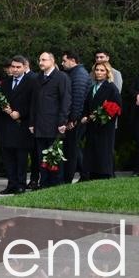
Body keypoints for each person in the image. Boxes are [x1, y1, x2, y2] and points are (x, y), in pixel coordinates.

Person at [29, 51, 71, 188]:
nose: (41, 62)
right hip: (40, 125)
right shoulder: (38, 78)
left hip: (55, 125)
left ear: (52, 61)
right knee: (42, 157)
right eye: (40, 60)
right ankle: (44, 183)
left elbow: (65, 100)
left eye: (44, 60)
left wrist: (62, 121)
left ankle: (56, 184)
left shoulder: (61, 77)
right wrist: (32, 122)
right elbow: (33, 102)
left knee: (55, 157)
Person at [0, 56, 34, 194]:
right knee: (8, 158)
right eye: (13, 67)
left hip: (22, 125)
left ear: (25, 67)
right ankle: (11, 184)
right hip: (6, 125)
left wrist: (20, 113)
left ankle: (20, 184)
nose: (15, 69)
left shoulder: (31, 81)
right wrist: (2, 106)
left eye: (18, 67)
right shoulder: (5, 83)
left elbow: (33, 103)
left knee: (21, 158)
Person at [80, 62, 122, 180]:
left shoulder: (111, 88)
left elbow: (116, 107)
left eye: (102, 70)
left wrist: (100, 117)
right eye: (97, 70)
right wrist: (85, 116)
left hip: (105, 127)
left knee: (103, 151)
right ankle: (91, 173)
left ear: (107, 73)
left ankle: (105, 174)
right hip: (92, 127)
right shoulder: (93, 88)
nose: (99, 73)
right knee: (92, 150)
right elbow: (87, 105)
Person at [60, 52, 91, 183]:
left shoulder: (79, 75)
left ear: (72, 60)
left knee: (72, 149)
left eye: (64, 60)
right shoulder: (76, 73)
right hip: (76, 118)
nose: (62, 63)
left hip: (76, 120)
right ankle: (85, 175)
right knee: (74, 148)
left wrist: (72, 120)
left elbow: (77, 99)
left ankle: (68, 179)